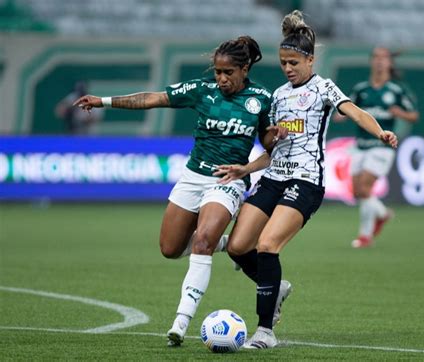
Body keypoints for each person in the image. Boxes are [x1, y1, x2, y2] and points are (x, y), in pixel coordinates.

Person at [72, 36, 287, 347]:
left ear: (244, 69)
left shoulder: (261, 98)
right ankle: (229, 245)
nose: (221, 78)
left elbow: (269, 149)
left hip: (227, 180)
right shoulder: (203, 91)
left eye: (228, 72)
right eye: (217, 72)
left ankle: (180, 322)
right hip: (192, 177)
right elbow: (152, 98)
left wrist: (271, 140)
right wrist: (104, 101)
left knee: (201, 242)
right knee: (170, 248)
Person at [212, 10, 398, 349]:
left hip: (306, 181)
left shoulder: (323, 88)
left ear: (310, 60)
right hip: (273, 178)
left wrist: (380, 131)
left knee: (268, 246)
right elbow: (272, 150)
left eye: (294, 62)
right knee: (238, 247)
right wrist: (247, 167)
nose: (288, 68)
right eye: (283, 62)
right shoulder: (279, 96)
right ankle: (277, 287)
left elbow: (354, 111)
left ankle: (265, 331)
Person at [335, 47, 419, 248]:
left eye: (384, 58)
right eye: (377, 57)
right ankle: (381, 214)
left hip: (381, 147)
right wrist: (339, 114)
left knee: (364, 188)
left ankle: (365, 235)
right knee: (357, 192)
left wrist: (400, 113)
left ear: (390, 63)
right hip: (360, 146)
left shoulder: (397, 90)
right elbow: (346, 108)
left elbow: (414, 115)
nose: (380, 61)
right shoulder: (361, 89)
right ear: (372, 61)